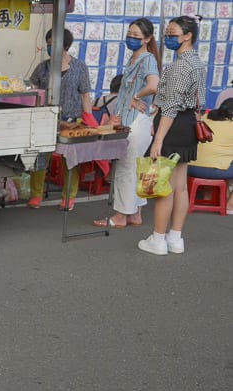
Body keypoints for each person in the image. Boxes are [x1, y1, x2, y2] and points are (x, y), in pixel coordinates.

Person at [138, 15, 208, 255]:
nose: (168, 37)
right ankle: (175, 238)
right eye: (166, 33)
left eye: (172, 33)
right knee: (180, 186)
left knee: (163, 184)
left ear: (187, 36)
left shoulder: (180, 66)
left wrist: (158, 138)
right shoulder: (197, 62)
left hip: (173, 125)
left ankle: (158, 239)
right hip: (188, 125)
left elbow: (171, 106)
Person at [92, 18, 160, 228]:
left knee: (126, 168)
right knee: (135, 168)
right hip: (130, 120)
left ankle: (120, 216)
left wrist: (136, 97)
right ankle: (135, 214)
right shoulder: (134, 59)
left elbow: (154, 85)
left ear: (147, 39)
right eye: (129, 34)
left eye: (136, 36)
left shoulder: (147, 59)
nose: (130, 38)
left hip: (136, 122)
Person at [27, 28, 97, 211]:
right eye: (48, 45)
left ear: (65, 46)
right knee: (40, 158)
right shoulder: (42, 68)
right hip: (46, 121)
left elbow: (85, 96)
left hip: (72, 120)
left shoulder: (79, 67)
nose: (49, 48)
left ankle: (69, 197)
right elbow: (33, 91)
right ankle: (36, 195)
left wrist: (88, 120)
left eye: (53, 45)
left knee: (70, 160)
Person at [187, 98, 233, 215]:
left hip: (190, 167)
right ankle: (230, 204)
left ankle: (208, 197)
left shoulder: (205, 118)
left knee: (215, 156)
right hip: (216, 170)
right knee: (222, 160)